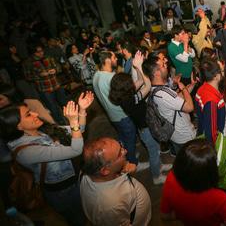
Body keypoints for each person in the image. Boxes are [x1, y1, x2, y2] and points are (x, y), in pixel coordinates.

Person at [0, 93, 94, 226]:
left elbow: (79, 131)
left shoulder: (40, 130)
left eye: (31, 111)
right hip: (62, 192)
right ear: (18, 126)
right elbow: (76, 150)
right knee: (78, 218)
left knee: (87, 210)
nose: (35, 114)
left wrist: (82, 110)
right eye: (28, 114)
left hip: (74, 179)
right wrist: (73, 122)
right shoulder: (25, 152)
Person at [109, 52, 171, 185]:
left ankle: (159, 166)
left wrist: (137, 67)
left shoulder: (124, 95)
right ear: (126, 86)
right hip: (146, 129)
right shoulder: (130, 99)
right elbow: (147, 86)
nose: (132, 81)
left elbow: (141, 81)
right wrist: (139, 66)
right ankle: (156, 176)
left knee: (156, 149)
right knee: (154, 152)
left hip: (144, 127)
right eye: (129, 81)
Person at [160, 139, 226, 226]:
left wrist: (185, 215)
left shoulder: (171, 179)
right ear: (211, 171)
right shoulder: (219, 199)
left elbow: (165, 216)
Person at [93, 51, 148, 172]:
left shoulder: (96, 75)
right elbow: (133, 88)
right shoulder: (112, 78)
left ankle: (127, 156)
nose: (116, 59)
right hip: (122, 115)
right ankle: (132, 163)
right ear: (107, 60)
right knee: (130, 138)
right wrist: (139, 68)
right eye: (113, 57)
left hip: (112, 116)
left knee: (123, 139)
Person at [80, 137, 152, 226]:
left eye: (120, 145)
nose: (125, 151)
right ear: (105, 170)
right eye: (119, 154)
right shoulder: (109, 206)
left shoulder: (88, 173)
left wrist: (124, 167)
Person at [143, 57, 197, 155]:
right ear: (156, 73)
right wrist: (184, 88)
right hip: (184, 136)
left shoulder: (157, 89)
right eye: (163, 65)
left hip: (176, 135)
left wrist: (191, 86)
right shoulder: (163, 93)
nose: (166, 65)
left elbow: (177, 99)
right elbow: (189, 107)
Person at [23, 45, 68, 125]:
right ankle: (62, 124)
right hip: (45, 90)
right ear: (33, 53)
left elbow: (58, 66)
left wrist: (55, 70)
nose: (41, 53)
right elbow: (28, 77)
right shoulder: (28, 63)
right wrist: (40, 75)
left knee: (64, 103)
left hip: (56, 85)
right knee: (53, 108)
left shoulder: (48, 57)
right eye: (38, 52)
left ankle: (71, 118)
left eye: (42, 51)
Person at [195, 59, 226, 144]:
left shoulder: (203, 88)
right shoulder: (211, 101)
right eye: (221, 71)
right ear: (216, 76)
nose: (223, 73)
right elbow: (211, 134)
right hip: (218, 139)